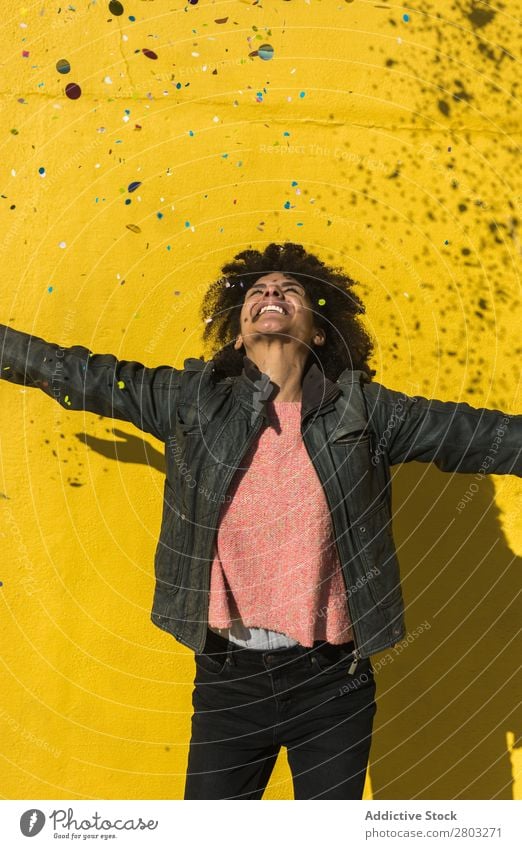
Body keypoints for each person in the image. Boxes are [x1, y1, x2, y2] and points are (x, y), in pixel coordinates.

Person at [1, 241, 520, 800]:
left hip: (333, 684)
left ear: (319, 330)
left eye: (289, 290)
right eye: (256, 291)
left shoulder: (366, 412)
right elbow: (85, 375)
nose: (271, 293)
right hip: (229, 684)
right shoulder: (193, 403)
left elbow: (482, 436)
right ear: (238, 331)